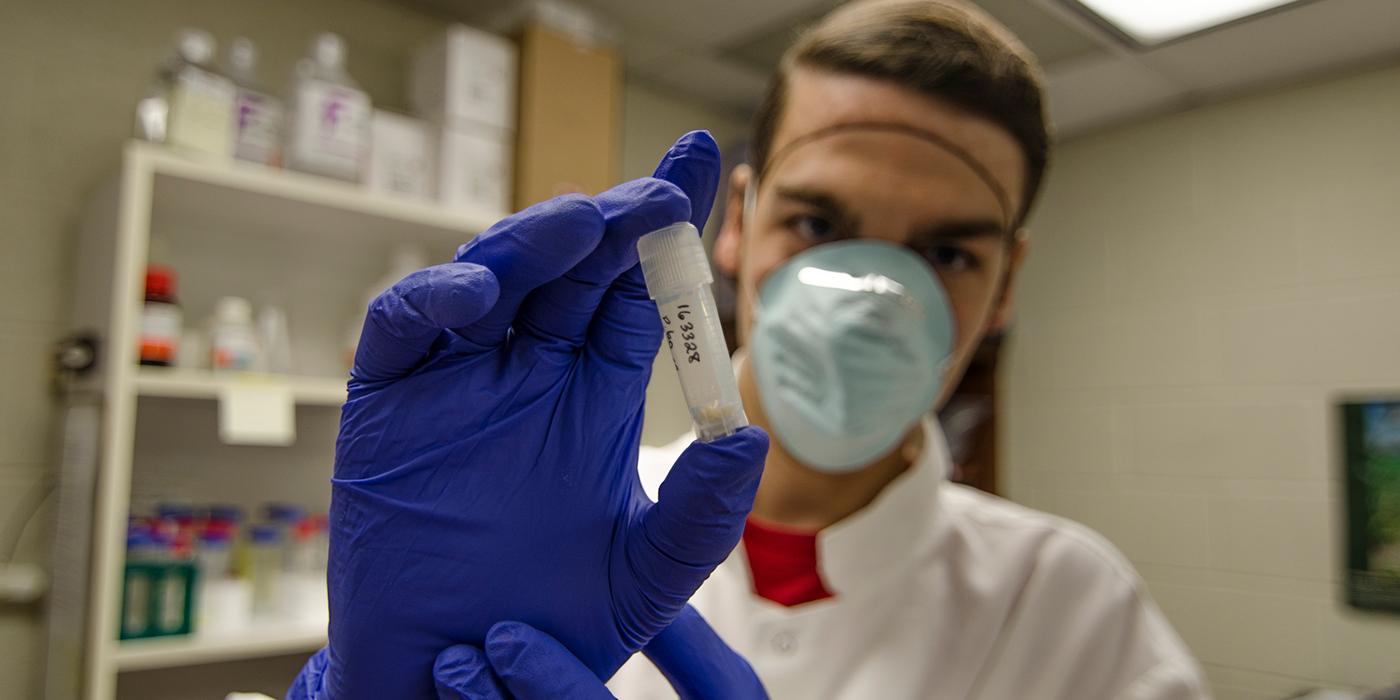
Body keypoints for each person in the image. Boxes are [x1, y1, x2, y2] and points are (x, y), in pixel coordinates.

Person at [291, 1, 1209, 698]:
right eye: (817, 222)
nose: (867, 302)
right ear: (733, 226)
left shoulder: (1077, 614)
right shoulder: (545, 526)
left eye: (945, 254)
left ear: (1004, 284)